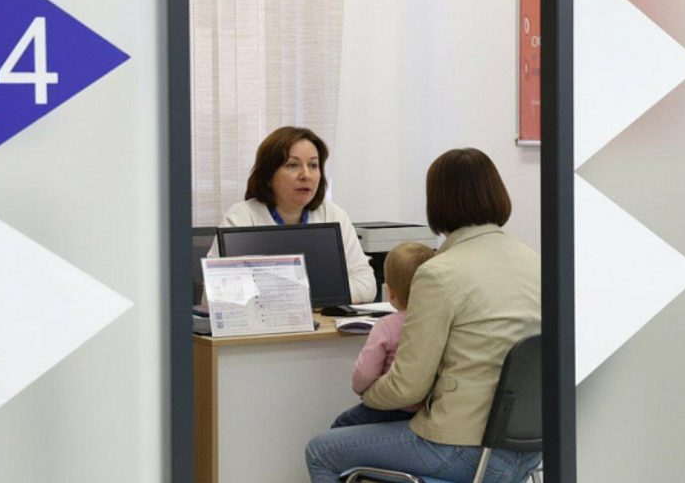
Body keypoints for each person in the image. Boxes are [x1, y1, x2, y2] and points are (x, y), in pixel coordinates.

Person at [305, 148, 542, 483]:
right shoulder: (535, 261)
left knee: (321, 451)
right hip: (530, 452)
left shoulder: (439, 273)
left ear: (437, 202)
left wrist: (369, 395)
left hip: (463, 450)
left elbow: (407, 388)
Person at [210, 126, 376, 304]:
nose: (306, 175)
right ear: (268, 176)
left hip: (324, 321)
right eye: (292, 165)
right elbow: (216, 293)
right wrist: (319, 292)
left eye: (313, 165)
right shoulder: (242, 218)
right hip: (266, 322)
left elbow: (367, 284)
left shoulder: (333, 215)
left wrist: (297, 295)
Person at [331, 242, 435, 429]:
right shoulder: (437, 321)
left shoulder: (386, 326)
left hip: (390, 406)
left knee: (341, 425)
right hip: (428, 406)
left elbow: (364, 373)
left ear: (390, 293)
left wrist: (361, 390)